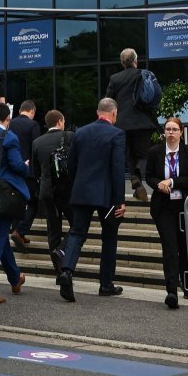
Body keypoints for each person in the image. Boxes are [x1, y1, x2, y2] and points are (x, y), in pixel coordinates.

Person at [53, 98, 126, 302]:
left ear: (97, 112)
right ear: (114, 113)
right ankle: (106, 283)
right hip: (107, 193)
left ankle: (66, 271)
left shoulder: (81, 132)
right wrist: (120, 199)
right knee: (109, 236)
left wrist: (79, 183)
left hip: (82, 190)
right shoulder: (117, 134)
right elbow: (118, 168)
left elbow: (71, 163)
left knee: (77, 233)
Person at [143, 117, 188, 309]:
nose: (171, 132)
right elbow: (148, 175)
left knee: (185, 246)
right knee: (169, 247)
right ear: (164, 132)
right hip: (163, 206)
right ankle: (171, 290)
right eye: (168, 129)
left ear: (181, 132)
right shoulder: (155, 152)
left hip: (185, 206)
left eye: (175, 129)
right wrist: (158, 184)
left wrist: (172, 182)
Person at [0, 102, 30, 301]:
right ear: (8, 119)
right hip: (5, 194)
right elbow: (17, 165)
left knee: (0, 236)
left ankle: (15, 277)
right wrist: (26, 166)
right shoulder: (9, 137)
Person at [105, 48, 156, 200]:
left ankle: (135, 179)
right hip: (143, 122)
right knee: (143, 154)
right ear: (136, 60)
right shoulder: (144, 74)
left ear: (122, 63)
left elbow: (108, 101)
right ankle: (138, 178)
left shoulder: (115, 78)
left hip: (122, 124)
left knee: (128, 154)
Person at [31, 111, 73, 258]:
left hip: (47, 192)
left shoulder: (37, 142)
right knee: (78, 225)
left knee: (53, 231)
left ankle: (58, 270)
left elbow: (35, 171)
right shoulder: (69, 137)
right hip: (67, 190)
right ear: (60, 122)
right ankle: (62, 250)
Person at [8, 100, 41, 245]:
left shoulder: (10, 123)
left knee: (17, 203)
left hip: (13, 171)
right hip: (29, 172)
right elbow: (36, 148)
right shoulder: (33, 125)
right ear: (32, 111)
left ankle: (16, 231)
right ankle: (20, 230)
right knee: (33, 204)